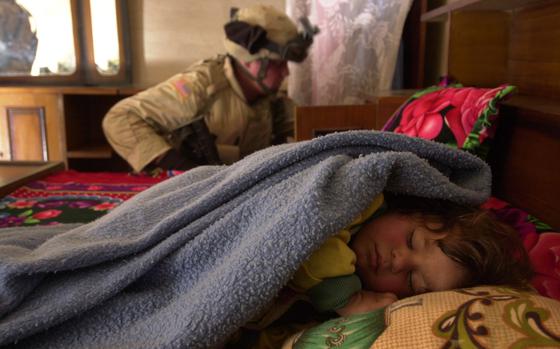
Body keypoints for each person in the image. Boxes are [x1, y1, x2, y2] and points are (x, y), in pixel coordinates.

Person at [102, 4, 318, 173]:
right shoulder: (199, 87)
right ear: (250, 61)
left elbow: (310, 127)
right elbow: (119, 118)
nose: (286, 73)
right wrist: (179, 165)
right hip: (182, 193)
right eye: (278, 64)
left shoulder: (270, 100)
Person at [289, 192, 533, 317]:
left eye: (412, 281)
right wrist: (348, 300)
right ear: (409, 210)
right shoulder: (364, 201)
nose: (399, 261)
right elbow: (307, 239)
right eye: (412, 241)